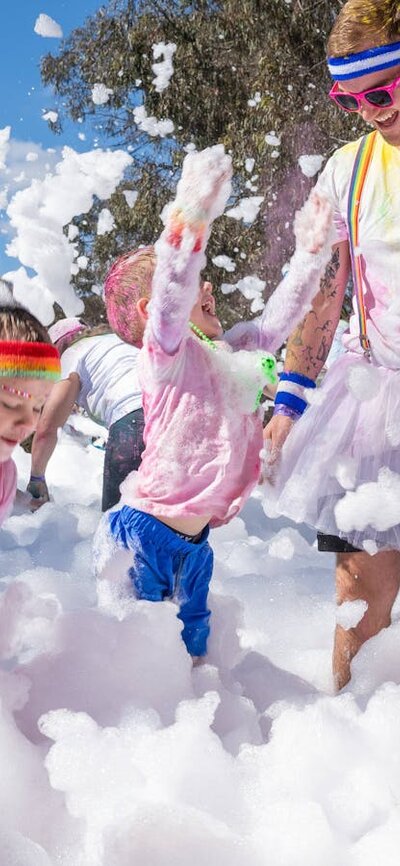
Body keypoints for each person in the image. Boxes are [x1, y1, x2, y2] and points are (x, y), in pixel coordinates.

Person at [94, 143, 332, 661]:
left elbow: (277, 321)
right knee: (135, 662)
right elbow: (174, 286)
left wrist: (310, 258)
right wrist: (192, 216)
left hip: (195, 548)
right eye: (196, 283)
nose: (207, 290)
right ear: (152, 309)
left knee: (191, 662)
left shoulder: (232, 354)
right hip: (144, 537)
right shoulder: (166, 355)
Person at [264, 0, 400, 689]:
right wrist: (286, 409)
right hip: (379, 397)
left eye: (383, 90)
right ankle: (348, 739)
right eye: (350, 99)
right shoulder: (347, 172)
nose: (369, 111)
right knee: (359, 592)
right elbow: (321, 297)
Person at [27, 317, 146, 512]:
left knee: (115, 532)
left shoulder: (72, 355)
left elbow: (46, 428)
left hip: (134, 421)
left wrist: (36, 478)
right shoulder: (119, 343)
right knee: (177, 529)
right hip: (174, 417)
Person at [0, 280, 60, 527]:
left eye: (38, 407)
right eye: (11, 403)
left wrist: (27, 502)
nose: (29, 422)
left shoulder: (6, 474)